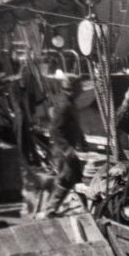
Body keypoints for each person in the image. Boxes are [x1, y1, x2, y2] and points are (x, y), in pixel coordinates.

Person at [44, 74, 88, 215]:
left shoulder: (70, 102)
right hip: (63, 151)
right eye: (79, 87)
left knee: (78, 178)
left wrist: (83, 142)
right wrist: (67, 150)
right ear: (72, 88)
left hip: (70, 149)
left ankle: (87, 209)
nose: (82, 89)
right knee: (66, 179)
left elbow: (74, 126)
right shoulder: (64, 105)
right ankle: (50, 210)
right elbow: (54, 130)